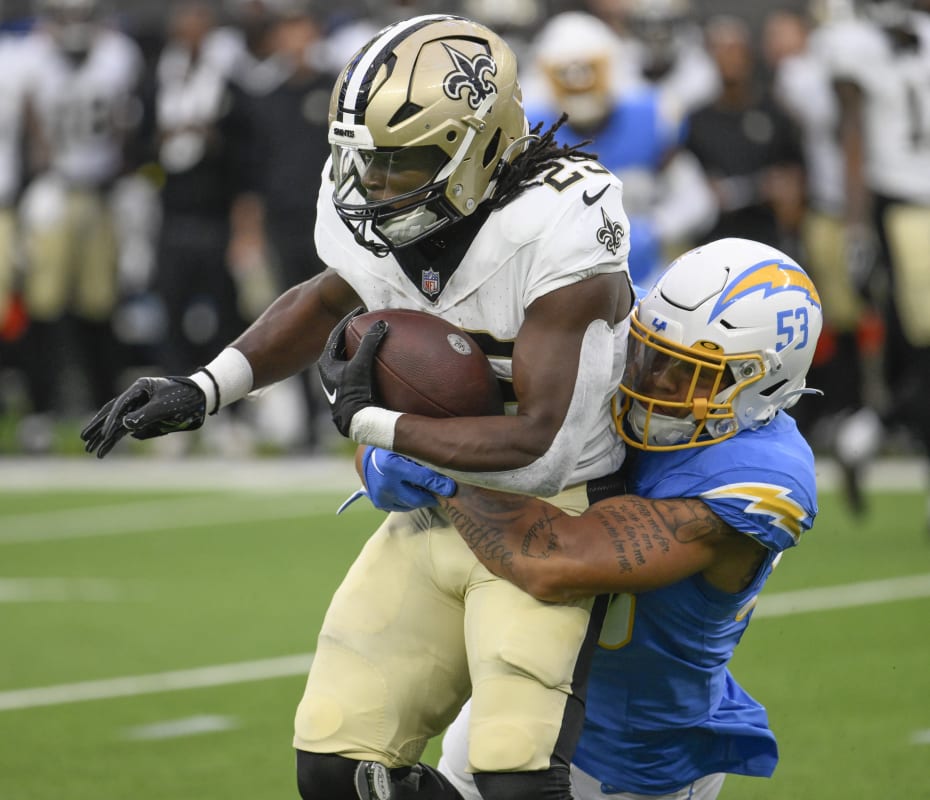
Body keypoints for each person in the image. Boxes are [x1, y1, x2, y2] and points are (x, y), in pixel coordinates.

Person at [81, 13, 634, 800]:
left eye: (399, 163)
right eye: (362, 160)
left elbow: (538, 438)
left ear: (476, 148)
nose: (371, 185)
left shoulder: (558, 223)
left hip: (553, 515)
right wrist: (206, 387)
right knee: (338, 770)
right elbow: (326, 296)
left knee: (517, 781)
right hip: (437, 511)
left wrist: (373, 425)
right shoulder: (373, 201)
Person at [358, 237, 823, 800]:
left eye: (688, 374)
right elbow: (458, 394)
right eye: (652, 354)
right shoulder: (629, 326)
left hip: (632, 762)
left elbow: (553, 560)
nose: (652, 381)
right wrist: (376, 443)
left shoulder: (757, 477)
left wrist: (434, 461)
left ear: (760, 387)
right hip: (519, 688)